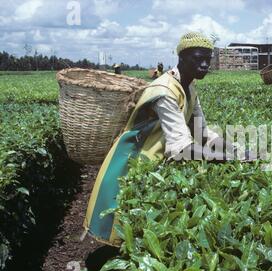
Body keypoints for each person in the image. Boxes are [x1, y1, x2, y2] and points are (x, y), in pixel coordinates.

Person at [84, 32, 257, 246]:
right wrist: (229, 159)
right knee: (125, 230)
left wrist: (237, 150)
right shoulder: (164, 90)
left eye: (208, 59)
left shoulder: (189, 87)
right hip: (132, 162)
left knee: (144, 233)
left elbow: (202, 133)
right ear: (182, 57)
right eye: (197, 58)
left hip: (155, 161)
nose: (204, 64)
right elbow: (182, 148)